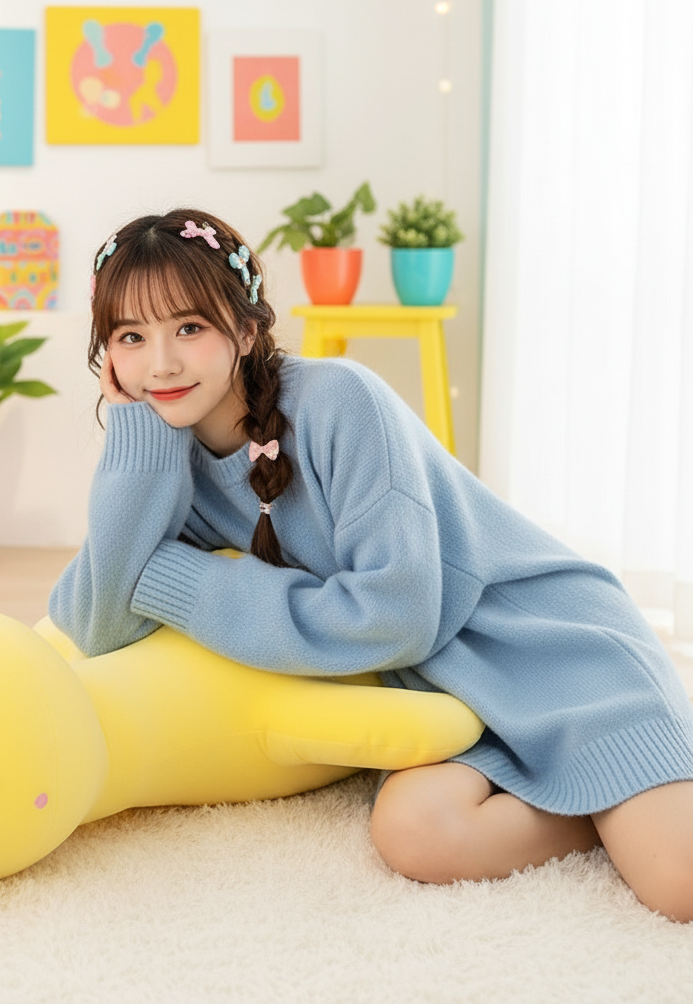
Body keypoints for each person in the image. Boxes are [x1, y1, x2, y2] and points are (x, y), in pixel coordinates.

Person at [49, 208, 693, 920]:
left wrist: (174, 578)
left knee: (677, 885)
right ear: (106, 356)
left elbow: (398, 616)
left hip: (550, 651)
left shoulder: (336, 403)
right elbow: (98, 624)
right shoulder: (160, 463)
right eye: (131, 337)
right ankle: (592, 800)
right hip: (451, 704)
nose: (161, 362)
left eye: (189, 328)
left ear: (246, 329)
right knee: (414, 834)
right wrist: (137, 442)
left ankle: (617, 786)